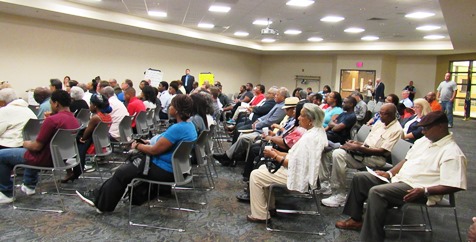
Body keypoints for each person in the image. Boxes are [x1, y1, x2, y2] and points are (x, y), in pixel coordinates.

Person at [335, 111, 467, 242]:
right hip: (399, 180)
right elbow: (406, 160)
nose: (422, 131)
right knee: (360, 178)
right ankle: (356, 219)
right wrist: (389, 173)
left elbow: (454, 185)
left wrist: (425, 191)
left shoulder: (452, 152)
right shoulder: (424, 141)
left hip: (417, 189)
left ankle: (372, 237)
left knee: (377, 192)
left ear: (440, 127)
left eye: (426, 128)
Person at [76, 94, 198, 213]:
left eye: (171, 105)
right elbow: (164, 143)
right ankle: (99, 195)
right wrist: (148, 142)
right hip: (176, 169)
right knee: (125, 170)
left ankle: (103, 204)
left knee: (122, 172)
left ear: (176, 110)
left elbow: (154, 150)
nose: (169, 108)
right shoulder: (189, 126)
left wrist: (138, 145)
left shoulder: (178, 129)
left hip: (165, 170)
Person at [246, 103, 327, 223]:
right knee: (263, 168)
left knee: (256, 175)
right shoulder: (317, 132)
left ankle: (260, 215)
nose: (298, 118)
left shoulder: (309, 138)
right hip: (304, 172)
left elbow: (293, 163)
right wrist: (278, 152)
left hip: (300, 176)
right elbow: (296, 156)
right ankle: (270, 207)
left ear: (310, 120)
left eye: (301, 116)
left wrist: (275, 156)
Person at [0, 90, 80, 204]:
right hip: (61, 158)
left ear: (56, 103)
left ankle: (6, 192)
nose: (50, 106)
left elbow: (37, 147)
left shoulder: (52, 121)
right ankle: (29, 185)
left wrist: (25, 143)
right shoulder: (74, 119)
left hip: (44, 159)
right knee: (28, 150)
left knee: (2, 155)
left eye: (51, 103)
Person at [321, 103, 403, 207]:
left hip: (376, 158)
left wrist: (358, 148)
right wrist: (356, 144)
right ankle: (325, 183)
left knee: (338, 154)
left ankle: (340, 194)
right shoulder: (380, 123)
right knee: (328, 152)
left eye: (384, 114)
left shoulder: (396, 130)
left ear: (392, 115)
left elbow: (383, 151)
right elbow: (368, 143)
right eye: (380, 113)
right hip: (365, 152)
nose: (380, 116)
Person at [213, 89, 290, 166]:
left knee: (243, 137)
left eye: (277, 95)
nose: (275, 96)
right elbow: (267, 116)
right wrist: (258, 120)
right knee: (241, 133)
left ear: (283, 97)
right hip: (262, 127)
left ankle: (228, 157)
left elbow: (271, 121)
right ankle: (230, 157)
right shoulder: (278, 104)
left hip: (267, 132)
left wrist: (257, 125)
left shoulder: (281, 107)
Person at [63, 94, 112, 182]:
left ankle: (70, 170)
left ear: (95, 106)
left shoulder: (96, 118)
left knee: (68, 141)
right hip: (102, 144)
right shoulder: (108, 116)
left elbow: (85, 136)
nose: (89, 106)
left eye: (90, 103)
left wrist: (81, 138)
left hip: (92, 147)